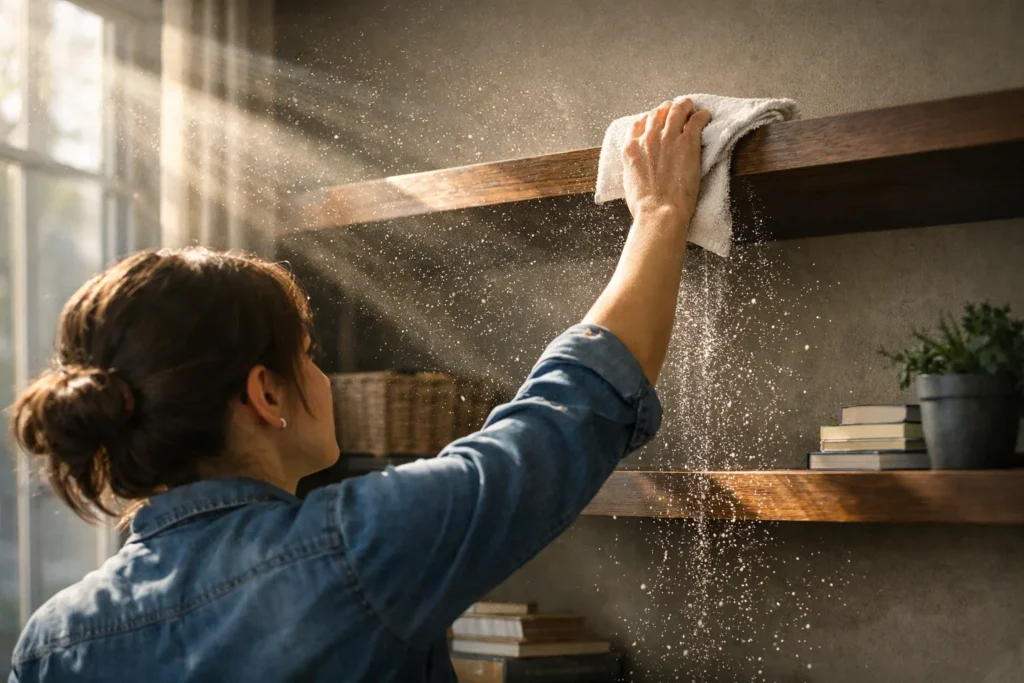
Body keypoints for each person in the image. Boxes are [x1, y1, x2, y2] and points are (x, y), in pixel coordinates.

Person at [8, 99, 711, 682]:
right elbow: (558, 424)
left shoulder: (51, 644)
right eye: (306, 356)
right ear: (266, 395)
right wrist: (658, 215)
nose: (322, 375)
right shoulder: (357, 550)